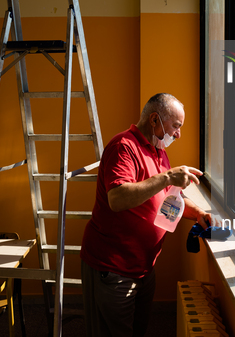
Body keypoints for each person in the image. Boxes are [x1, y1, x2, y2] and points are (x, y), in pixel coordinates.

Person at [80, 93, 211, 337]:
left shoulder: (158, 149)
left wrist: (198, 213)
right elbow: (117, 199)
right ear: (154, 120)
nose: (178, 134)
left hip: (143, 267)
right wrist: (168, 176)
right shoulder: (123, 147)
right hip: (113, 268)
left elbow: (169, 196)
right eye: (176, 126)